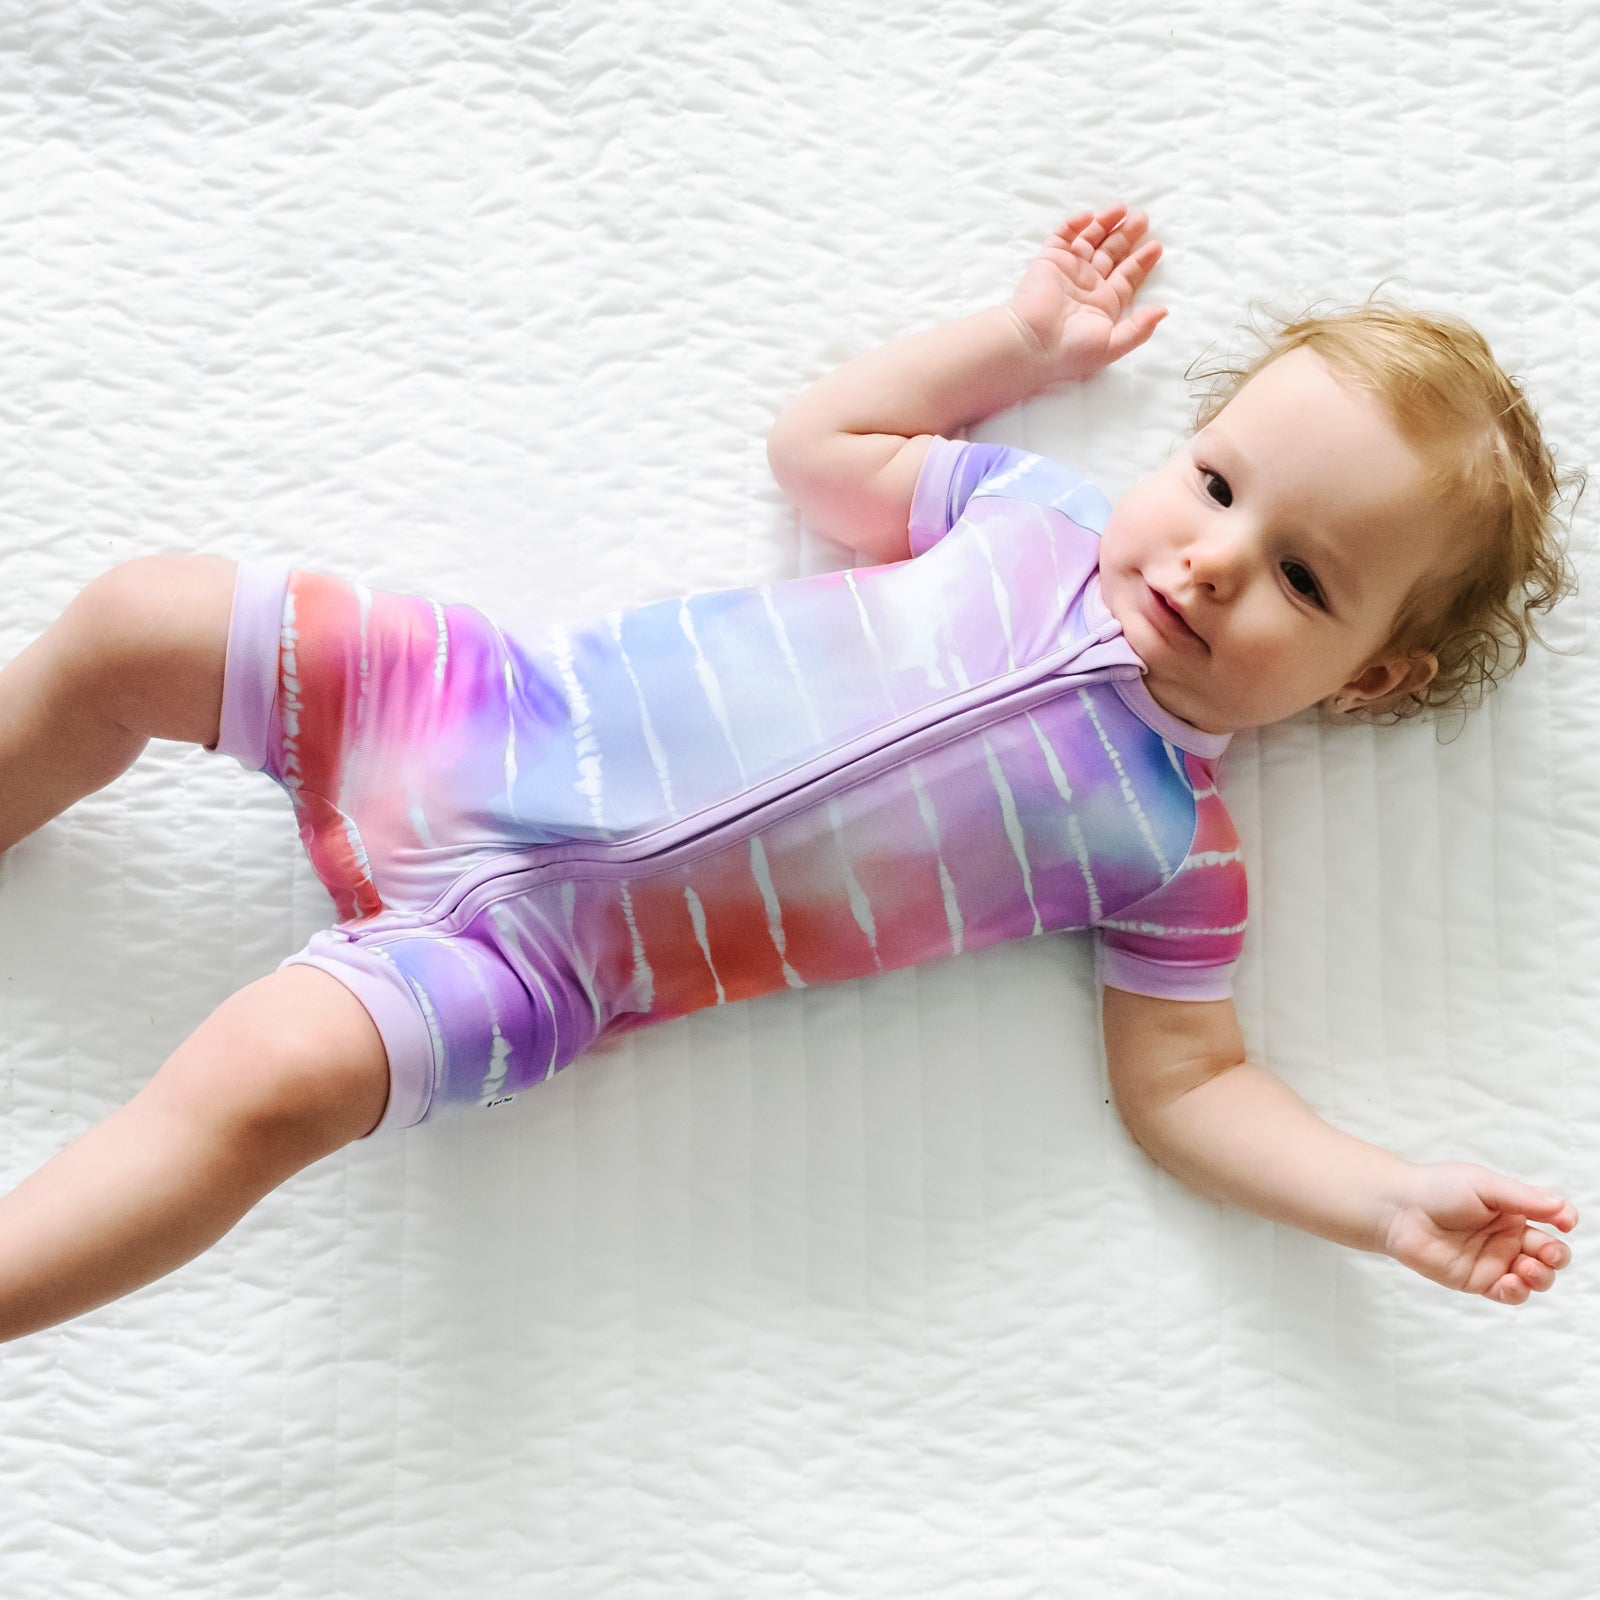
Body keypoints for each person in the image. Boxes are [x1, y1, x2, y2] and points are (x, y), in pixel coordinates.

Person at [0, 202, 1579, 1344]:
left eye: (1305, 580)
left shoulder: (1175, 847)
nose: (1218, 559)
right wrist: (1018, 343)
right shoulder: (1022, 511)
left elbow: (1193, 1089)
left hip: (532, 963)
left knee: (268, 1091)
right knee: (145, 616)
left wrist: (1377, 1201)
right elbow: (825, 445)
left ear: (1369, 675)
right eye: (1218, 480)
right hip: (475, 707)